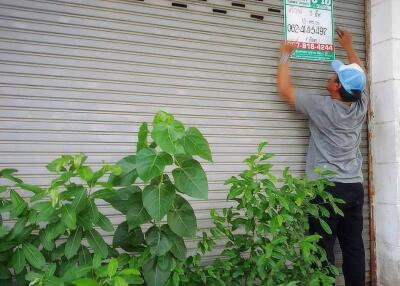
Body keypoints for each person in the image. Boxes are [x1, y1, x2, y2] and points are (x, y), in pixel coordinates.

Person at [276, 29, 367, 286]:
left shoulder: (322, 107)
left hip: (327, 189)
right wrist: (348, 46)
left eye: (334, 75)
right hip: (353, 187)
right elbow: (361, 77)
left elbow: (284, 89)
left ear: (337, 87)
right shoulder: (360, 105)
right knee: (353, 247)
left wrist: (285, 54)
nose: (330, 75)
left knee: (321, 245)